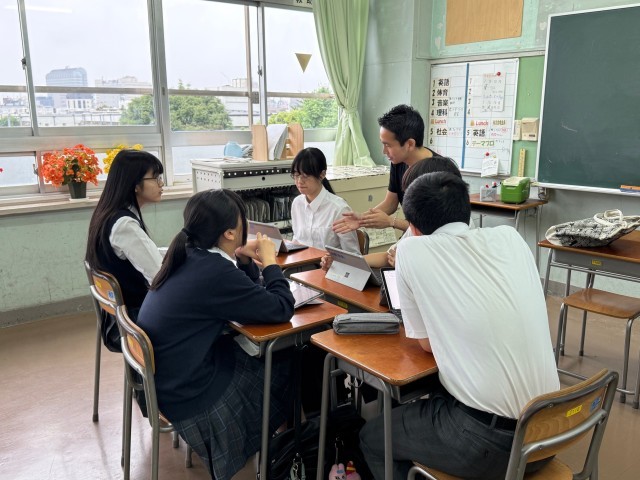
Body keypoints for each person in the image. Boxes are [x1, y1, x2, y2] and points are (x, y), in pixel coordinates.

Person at [359, 172, 560, 480]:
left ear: (412, 228)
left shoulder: (411, 251)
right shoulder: (510, 237)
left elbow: (427, 345)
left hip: (492, 445)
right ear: (466, 210)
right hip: (551, 431)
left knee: (372, 439)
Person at [136, 189, 295, 480]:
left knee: (267, 354)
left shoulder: (188, 254)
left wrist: (242, 260)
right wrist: (271, 262)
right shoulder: (215, 271)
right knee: (291, 359)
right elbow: (281, 308)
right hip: (192, 393)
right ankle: (290, 451)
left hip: (168, 383)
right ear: (231, 233)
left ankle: (282, 444)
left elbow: (245, 295)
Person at [321, 156, 462, 271]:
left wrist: (404, 263)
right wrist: (344, 261)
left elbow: (431, 269)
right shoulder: (421, 225)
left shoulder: (456, 237)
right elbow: (388, 256)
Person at [332, 104, 442, 236]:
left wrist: (391, 222)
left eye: (388, 145)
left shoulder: (440, 172)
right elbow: (390, 203)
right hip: (411, 238)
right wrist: (361, 219)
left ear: (410, 144)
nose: (384, 151)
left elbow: (433, 229)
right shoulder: (398, 161)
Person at [85, 149, 164, 321]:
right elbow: (159, 277)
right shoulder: (125, 225)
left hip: (119, 316)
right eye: (156, 178)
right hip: (137, 316)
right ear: (135, 184)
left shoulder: (108, 213)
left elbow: (144, 255)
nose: (161, 183)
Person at [290, 147, 360, 253]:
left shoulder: (339, 208)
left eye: (305, 176)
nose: (299, 181)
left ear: (322, 174)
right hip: (301, 261)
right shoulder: (297, 203)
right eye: (296, 175)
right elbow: (297, 240)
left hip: (328, 263)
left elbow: (353, 255)